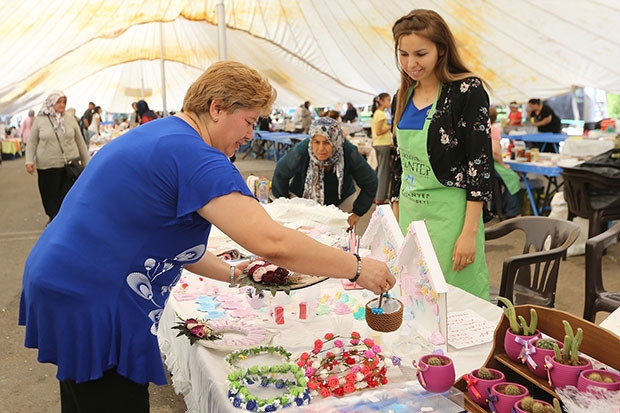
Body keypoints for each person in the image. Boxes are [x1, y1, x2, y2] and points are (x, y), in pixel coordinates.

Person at [19, 61, 395, 412]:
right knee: (109, 399)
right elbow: (272, 242)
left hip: (63, 277)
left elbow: (162, 237)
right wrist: (357, 267)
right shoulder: (194, 155)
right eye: (248, 121)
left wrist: (236, 273)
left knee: (84, 396)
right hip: (93, 296)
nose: (250, 135)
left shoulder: (165, 134)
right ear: (217, 109)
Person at [390, 9, 492, 300]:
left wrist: (469, 233)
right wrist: (396, 223)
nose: (411, 63)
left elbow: (479, 166)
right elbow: (397, 164)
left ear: (441, 50)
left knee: (455, 299)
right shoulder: (402, 97)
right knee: (413, 297)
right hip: (411, 215)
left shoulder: (466, 91)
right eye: (404, 54)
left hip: (452, 220)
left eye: (420, 53)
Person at [272, 117, 378, 229]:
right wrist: (285, 204)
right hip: (303, 200)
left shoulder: (348, 152)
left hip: (341, 202)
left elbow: (371, 182)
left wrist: (357, 212)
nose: (320, 148)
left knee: (339, 240)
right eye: (316, 142)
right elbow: (280, 173)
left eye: (327, 142)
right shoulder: (301, 151)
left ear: (335, 141)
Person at [24, 91, 90, 223]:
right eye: (59, 102)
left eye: (64, 102)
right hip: (47, 166)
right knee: (50, 196)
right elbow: (32, 142)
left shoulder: (70, 119)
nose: (62, 105)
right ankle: (54, 220)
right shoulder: (40, 120)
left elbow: (80, 141)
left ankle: (65, 220)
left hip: (70, 164)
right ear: (51, 103)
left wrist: (87, 162)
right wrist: (29, 160)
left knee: (68, 195)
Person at [489, 107, 521, 219]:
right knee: (513, 178)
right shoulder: (493, 129)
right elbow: (495, 151)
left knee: (498, 184)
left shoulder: (476, 127)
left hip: (481, 166)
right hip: (492, 165)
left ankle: (497, 208)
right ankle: (513, 212)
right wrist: (503, 164)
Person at [371, 93, 393, 205]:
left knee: (380, 170)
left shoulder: (377, 113)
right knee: (384, 172)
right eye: (388, 100)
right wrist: (391, 125)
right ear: (381, 101)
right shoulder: (381, 115)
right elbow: (379, 132)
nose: (390, 102)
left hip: (378, 144)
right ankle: (380, 198)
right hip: (383, 144)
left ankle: (377, 195)